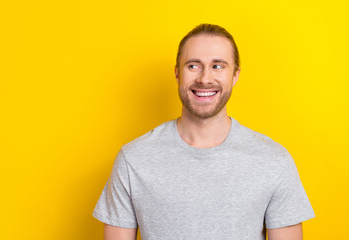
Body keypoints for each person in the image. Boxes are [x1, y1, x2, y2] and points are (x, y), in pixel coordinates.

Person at [92, 23, 315, 240]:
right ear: (178, 73)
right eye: (193, 66)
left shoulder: (274, 161)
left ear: (235, 75)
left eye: (218, 66)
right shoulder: (133, 159)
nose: (205, 78)